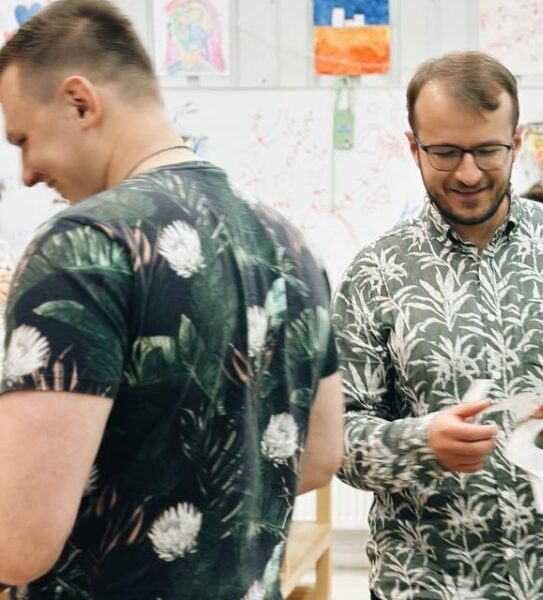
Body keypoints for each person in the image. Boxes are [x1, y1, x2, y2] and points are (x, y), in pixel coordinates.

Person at [0, 1, 343, 597]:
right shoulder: (292, 245)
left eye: (23, 139)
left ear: (80, 101)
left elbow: (16, 543)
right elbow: (318, 456)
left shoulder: (86, 244)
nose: (26, 172)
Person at [332, 50, 543, 600]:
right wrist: (419, 442)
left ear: (517, 139)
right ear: (413, 147)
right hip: (426, 584)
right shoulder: (376, 273)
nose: (467, 173)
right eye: (444, 152)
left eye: (487, 150)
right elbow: (336, 436)